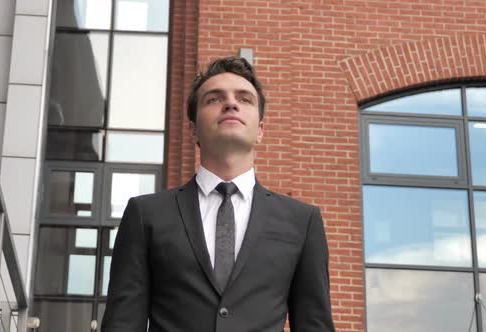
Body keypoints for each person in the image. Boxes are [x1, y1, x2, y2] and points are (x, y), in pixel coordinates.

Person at [101, 56, 335, 332]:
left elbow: (314, 324)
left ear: (260, 130)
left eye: (245, 99)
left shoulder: (302, 222)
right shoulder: (146, 215)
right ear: (192, 130)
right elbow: (123, 323)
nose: (231, 103)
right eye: (214, 99)